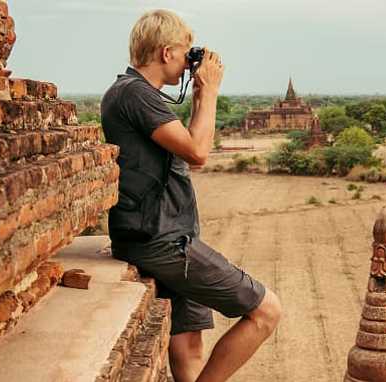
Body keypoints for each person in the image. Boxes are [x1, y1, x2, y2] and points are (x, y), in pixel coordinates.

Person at [100, 9, 281, 382]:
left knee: (187, 347)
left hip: (165, 234)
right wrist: (211, 90)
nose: (188, 64)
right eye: (185, 54)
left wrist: (200, 97)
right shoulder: (135, 93)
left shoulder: (137, 94)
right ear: (166, 53)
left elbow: (191, 152)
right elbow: (199, 151)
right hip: (162, 240)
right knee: (266, 312)